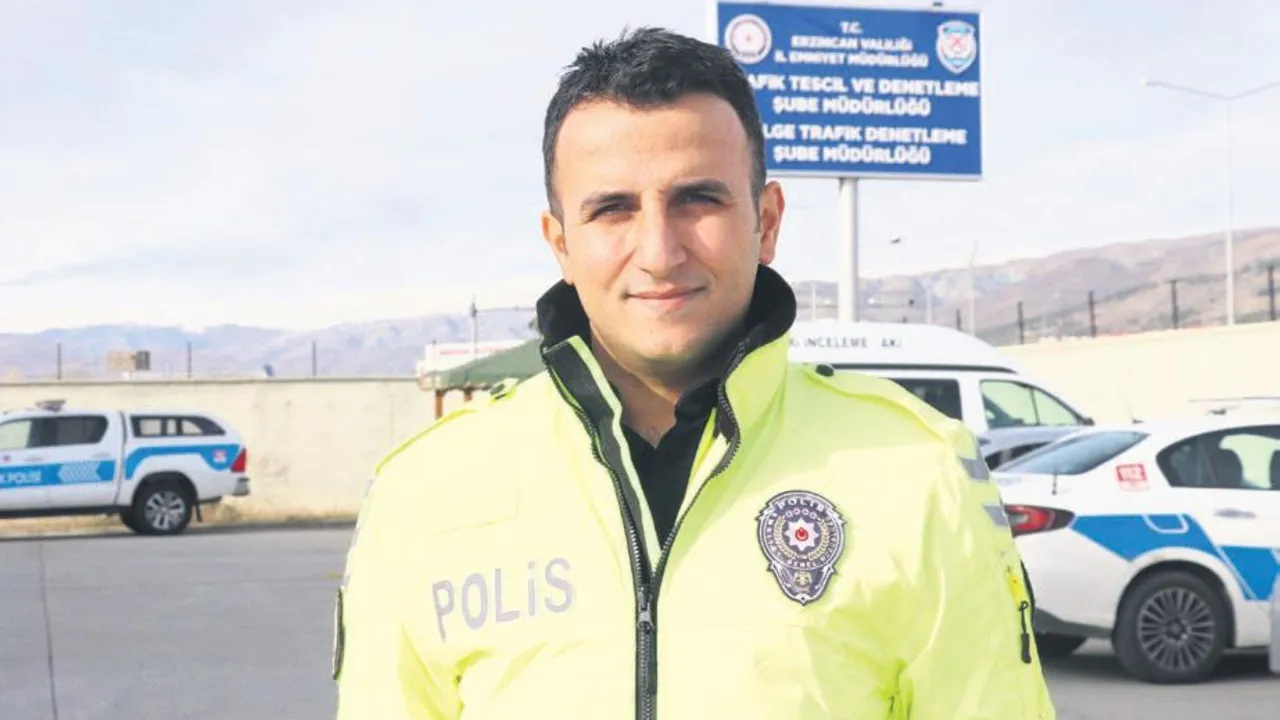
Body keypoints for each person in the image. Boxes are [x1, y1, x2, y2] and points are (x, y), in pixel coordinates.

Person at [333, 26, 1057, 719]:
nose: (659, 251)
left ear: (766, 222)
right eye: (612, 210)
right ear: (560, 244)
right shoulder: (425, 491)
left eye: (697, 200)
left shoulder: (916, 469)